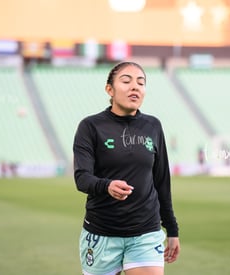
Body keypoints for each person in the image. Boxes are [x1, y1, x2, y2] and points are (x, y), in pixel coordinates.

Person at [73, 61, 180, 275]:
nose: (135, 86)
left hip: (146, 233)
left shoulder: (153, 126)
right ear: (109, 89)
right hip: (101, 232)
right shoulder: (90, 126)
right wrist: (107, 186)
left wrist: (172, 229)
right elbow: (82, 178)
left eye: (141, 82)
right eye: (126, 81)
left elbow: (161, 182)